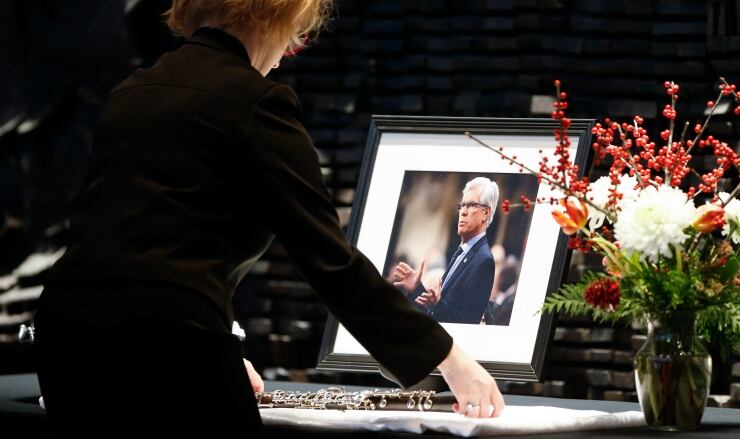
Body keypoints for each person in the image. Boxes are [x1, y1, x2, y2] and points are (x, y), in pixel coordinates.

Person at [33, 1, 504, 436]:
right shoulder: (256, 103)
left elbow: (144, 238)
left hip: (69, 339)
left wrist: (214, 343)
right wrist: (448, 357)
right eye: (295, 36)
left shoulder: (133, 91)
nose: (283, 56)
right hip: (167, 349)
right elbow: (328, 259)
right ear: (273, 17)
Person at [392, 177, 498, 324]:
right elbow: (436, 310)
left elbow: (468, 323)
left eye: (471, 205)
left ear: (486, 213)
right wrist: (417, 288)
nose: (463, 212)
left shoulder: (484, 260)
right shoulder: (462, 251)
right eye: (462, 205)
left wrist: (438, 304)